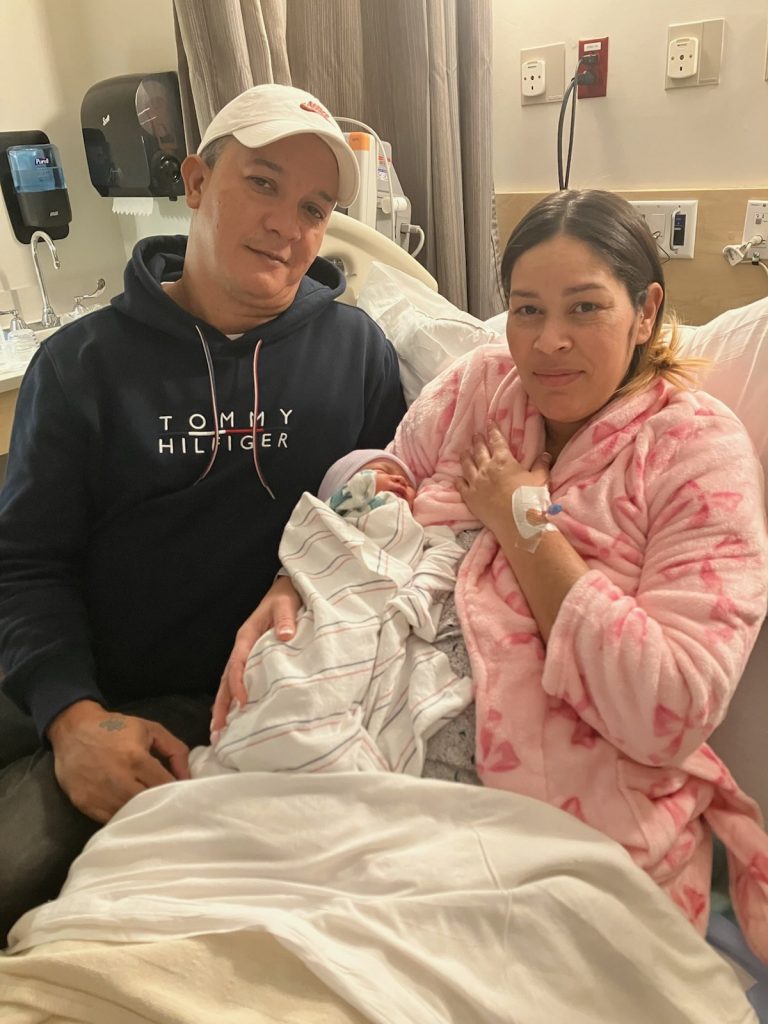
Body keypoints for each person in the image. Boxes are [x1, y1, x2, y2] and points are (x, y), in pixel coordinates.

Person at [262, 190, 768, 962]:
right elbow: (379, 498)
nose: (547, 344)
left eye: (584, 308)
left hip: (551, 817)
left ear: (645, 310)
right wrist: (296, 583)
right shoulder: (477, 386)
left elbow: (673, 704)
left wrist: (522, 526)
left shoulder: (696, 455)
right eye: (526, 310)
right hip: (364, 731)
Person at [0, 83, 406, 941]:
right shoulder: (82, 367)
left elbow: (385, 526)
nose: (287, 226)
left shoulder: (357, 353)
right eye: (261, 184)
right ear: (193, 181)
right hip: (95, 692)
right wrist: (73, 719)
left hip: (258, 706)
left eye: (314, 207)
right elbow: (27, 565)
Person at [194, 448, 470, 777]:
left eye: (407, 482)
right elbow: (319, 529)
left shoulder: (417, 530)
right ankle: (281, 733)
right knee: (291, 667)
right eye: (380, 470)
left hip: (379, 609)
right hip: (330, 607)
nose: (399, 479)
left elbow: (444, 555)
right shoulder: (338, 516)